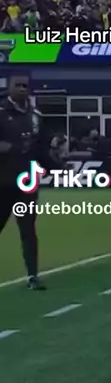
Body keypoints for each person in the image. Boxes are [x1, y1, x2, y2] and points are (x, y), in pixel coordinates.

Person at [0, 74, 58, 289]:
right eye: (18, 85)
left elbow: (41, 150)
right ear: (9, 88)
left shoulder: (35, 116)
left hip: (27, 183)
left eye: (25, 85)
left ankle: (33, 276)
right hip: (3, 183)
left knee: (28, 230)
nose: (22, 89)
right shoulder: (1, 112)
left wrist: (57, 168)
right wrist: (9, 148)